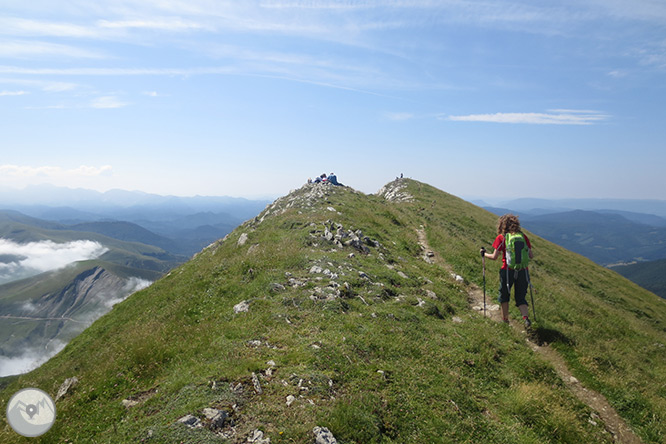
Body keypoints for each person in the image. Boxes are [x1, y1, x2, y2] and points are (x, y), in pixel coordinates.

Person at [481, 214, 533, 327]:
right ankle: (526, 318)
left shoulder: (502, 237)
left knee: (504, 295)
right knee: (521, 297)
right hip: (523, 271)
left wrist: (484, 254)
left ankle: (505, 320)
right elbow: (530, 255)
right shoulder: (523, 237)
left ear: (502, 224)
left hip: (507, 270)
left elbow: (494, 257)